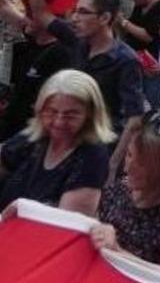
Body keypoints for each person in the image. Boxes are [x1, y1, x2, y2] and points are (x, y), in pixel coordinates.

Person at [22, 0, 144, 178]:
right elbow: (42, 14)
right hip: (70, 143)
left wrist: (113, 164)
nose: (75, 18)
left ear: (105, 18)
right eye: (75, 11)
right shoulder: (78, 42)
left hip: (102, 151)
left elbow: (134, 119)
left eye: (83, 13)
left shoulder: (125, 60)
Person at [90, 110, 160, 278]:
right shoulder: (120, 190)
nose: (127, 168)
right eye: (129, 155)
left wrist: (116, 251)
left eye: (143, 164)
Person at [0, 70, 114, 215]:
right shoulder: (33, 138)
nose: (59, 122)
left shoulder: (92, 155)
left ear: (90, 114)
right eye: (51, 112)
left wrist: (23, 207)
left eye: (71, 115)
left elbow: (66, 222)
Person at [0, 0, 73, 140]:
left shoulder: (62, 55)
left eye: (30, 14)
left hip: (32, 136)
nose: (23, 17)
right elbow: (3, 5)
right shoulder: (32, 35)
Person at [120, 0, 160, 108]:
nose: (131, 0)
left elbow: (148, 36)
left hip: (152, 62)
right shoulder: (140, 6)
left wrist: (124, 23)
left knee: (151, 99)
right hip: (136, 60)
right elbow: (133, 24)